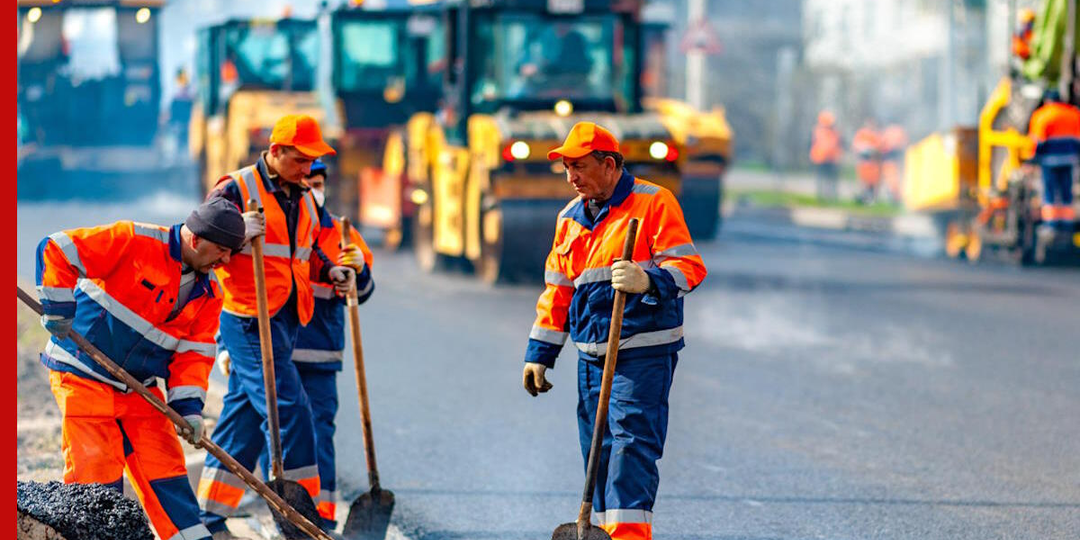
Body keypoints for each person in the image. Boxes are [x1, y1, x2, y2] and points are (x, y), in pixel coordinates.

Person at [522, 122, 707, 540]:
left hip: (641, 353)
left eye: (579, 167)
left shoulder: (654, 202)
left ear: (609, 165)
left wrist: (649, 280)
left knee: (629, 449)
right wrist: (539, 354)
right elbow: (558, 291)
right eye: (567, 168)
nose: (571, 177)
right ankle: (603, 533)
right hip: (591, 356)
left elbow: (690, 267)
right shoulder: (569, 219)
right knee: (597, 454)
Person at [35, 198, 246, 540]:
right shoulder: (134, 240)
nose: (226, 261)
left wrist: (189, 409)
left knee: (165, 469)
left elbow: (194, 355)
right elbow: (57, 249)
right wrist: (57, 306)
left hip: (138, 388)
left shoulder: (210, 294)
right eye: (222, 250)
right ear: (196, 239)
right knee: (96, 476)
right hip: (83, 373)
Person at [196, 114, 355, 538]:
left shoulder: (302, 195)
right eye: (301, 160)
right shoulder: (236, 188)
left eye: (312, 161)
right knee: (290, 410)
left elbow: (306, 252)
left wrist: (330, 271)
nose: (308, 169)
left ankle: (207, 518)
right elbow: (198, 239)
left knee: (243, 420)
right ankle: (299, 522)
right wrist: (236, 233)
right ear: (276, 151)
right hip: (249, 320)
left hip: (284, 319)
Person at [249, 159, 375, 529]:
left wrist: (359, 271)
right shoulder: (278, 227)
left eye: (318, 183)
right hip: (279, 349)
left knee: (319, 433)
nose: (313, 190)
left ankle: (324, 518)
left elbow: (362, 291)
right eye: (308, 182)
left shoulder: (342, 234)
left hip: (320, 354)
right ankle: (285, 516)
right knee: (277, 433)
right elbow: (243, 287)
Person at [1026, 89, 1080, 233]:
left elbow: (1037, 142)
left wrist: (1031, 159)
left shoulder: (1042, 115)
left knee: (1049, 192)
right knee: (1066, 191)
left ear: (1047, 101)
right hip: (1069, 160)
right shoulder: (1073, 114)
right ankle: (1067, 223)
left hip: (1049, 161)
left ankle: (1051, 224)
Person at [809, 110, 842, 201]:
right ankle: (821, 196)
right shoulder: (818, 131)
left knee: (830, 179)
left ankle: (831, 196)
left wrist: (838, 156)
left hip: (831, 159)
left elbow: (838, 145)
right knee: (822, 178)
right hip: (821, 158)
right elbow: (813, 144)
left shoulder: (834, 132)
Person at [852, 119, 884, 204]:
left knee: (872, 182)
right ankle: (863, 197)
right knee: (863, 181)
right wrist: (863, 149)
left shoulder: (876, 135)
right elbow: (856, 145)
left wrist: (871, 149)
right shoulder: (861, 134)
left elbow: (879, 147)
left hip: (873, 161)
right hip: (863, 161)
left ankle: (871, 198)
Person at [880, 123, 909, 203]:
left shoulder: (888, 131)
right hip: (894, 156)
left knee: (892, 178)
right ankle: (896, 196)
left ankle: (895, 196)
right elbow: (904, 143)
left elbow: (883, 144)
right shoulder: (900, 131)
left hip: (890, 156)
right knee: (895, 177)